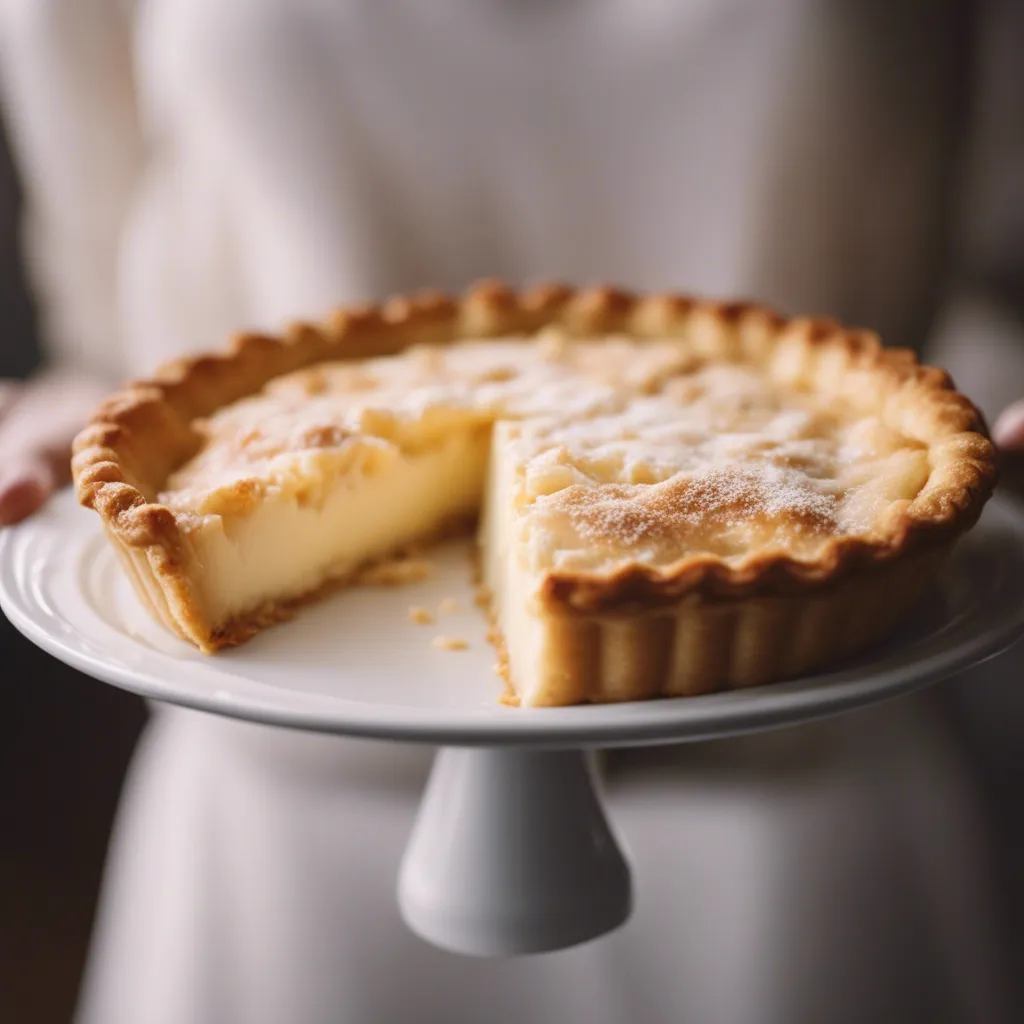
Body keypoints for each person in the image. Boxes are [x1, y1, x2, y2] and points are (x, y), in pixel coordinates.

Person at [1, 2, 1022, 1022]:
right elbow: (107, 328)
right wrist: (60, 410)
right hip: (284, 834)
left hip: (810, 826)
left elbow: (998, 287)